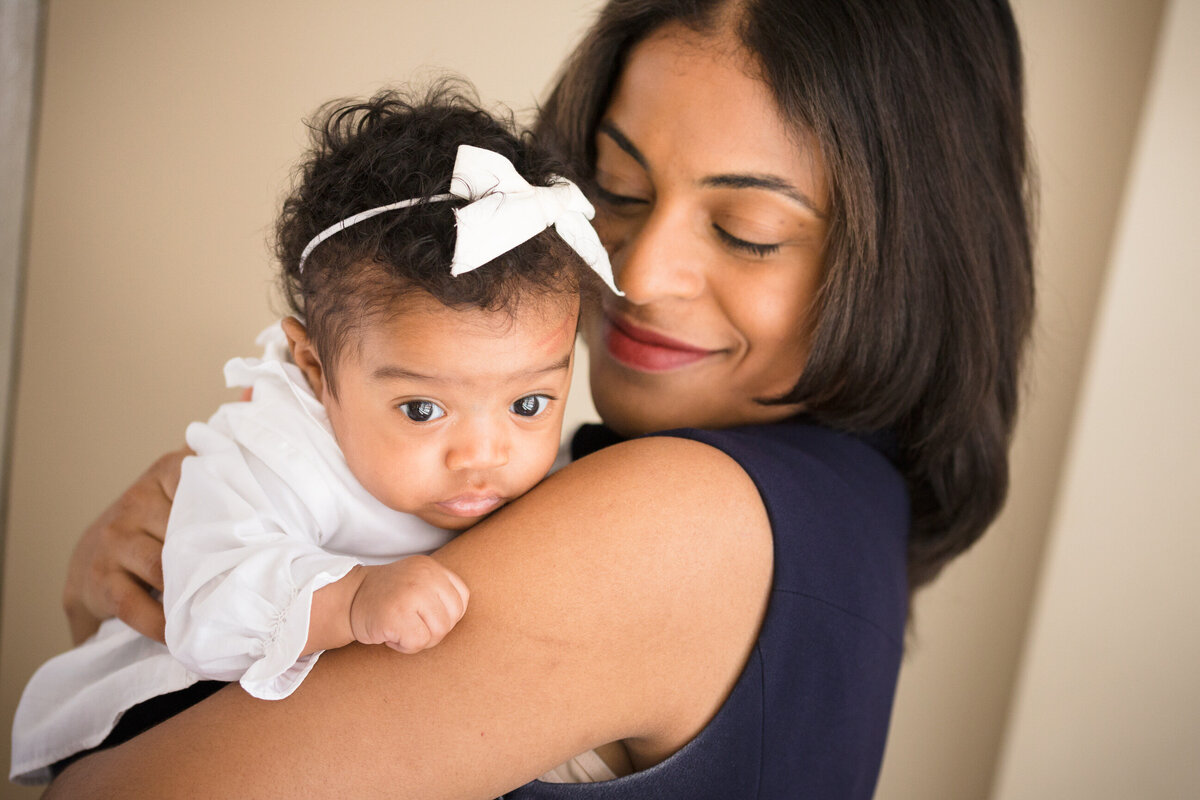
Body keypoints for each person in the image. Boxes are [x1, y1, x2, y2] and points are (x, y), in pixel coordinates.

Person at [46, 0, 1033, 797]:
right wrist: (149, 592)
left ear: (906, 260)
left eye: (746, 230)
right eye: (616, 189)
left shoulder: (682, 517)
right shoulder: (845, 507)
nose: (638, 273)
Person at [13, 90, 628, 785]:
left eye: (529, 402)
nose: (484, 455)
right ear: (315, 367)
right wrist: (348, 598)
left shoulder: (547, 477)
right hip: (177, 703)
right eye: (424, 409)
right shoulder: (270, 449)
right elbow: (207, 606)